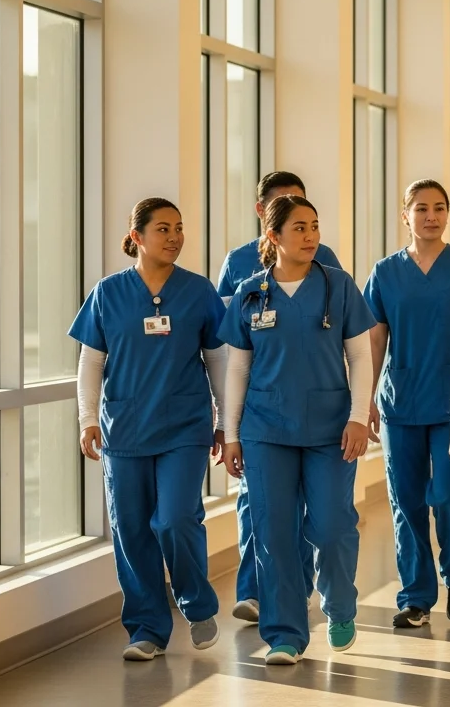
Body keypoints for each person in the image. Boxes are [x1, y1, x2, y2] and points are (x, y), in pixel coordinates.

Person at [219, 195, 376, 665]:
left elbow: (361, 356)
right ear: (273, 236)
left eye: (314, 226)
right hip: (266, 429)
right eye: (299, 228)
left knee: (330, 526)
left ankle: (339, 603)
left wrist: (357, 415)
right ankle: (285, 632)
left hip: (331, 428)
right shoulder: (252, 292)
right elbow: (237, 370)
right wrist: (230, 433)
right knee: (273, 533)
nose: (310, 236)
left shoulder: (338, 286)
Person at [68, 198, 226, 661]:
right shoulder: (108, 293)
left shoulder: (198, 292)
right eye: (163, 229)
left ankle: (197, 606)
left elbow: (217, 360)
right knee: (133, 530)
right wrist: (87, 419)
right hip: (125, 429)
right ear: (137, 237)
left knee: (175, 519)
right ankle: (147, 630)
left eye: (179, 227)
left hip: (185, 427)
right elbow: (90, 362)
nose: (175, 236)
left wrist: (225, 422)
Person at [215, 170, 342, 624]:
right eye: (286, 206)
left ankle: (299, 586)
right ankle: (257, 592)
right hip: (263, 411)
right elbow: (233, 351)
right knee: (262, 507)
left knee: (316, 513)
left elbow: (339, 330)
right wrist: (227, 424)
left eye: (305, 209)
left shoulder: (326, 262)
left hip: (318, 409)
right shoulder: (238, 264)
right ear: (263, 214)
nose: (304, 226)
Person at [365, 179, 450, 629]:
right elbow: (375, 339)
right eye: (421, 209)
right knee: (406, 500)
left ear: (448, 214)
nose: (430, 216)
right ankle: (415, 594)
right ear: (405, 216)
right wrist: (367, 400)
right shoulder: (385, 273)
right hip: (401, 402)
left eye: (438, 207)